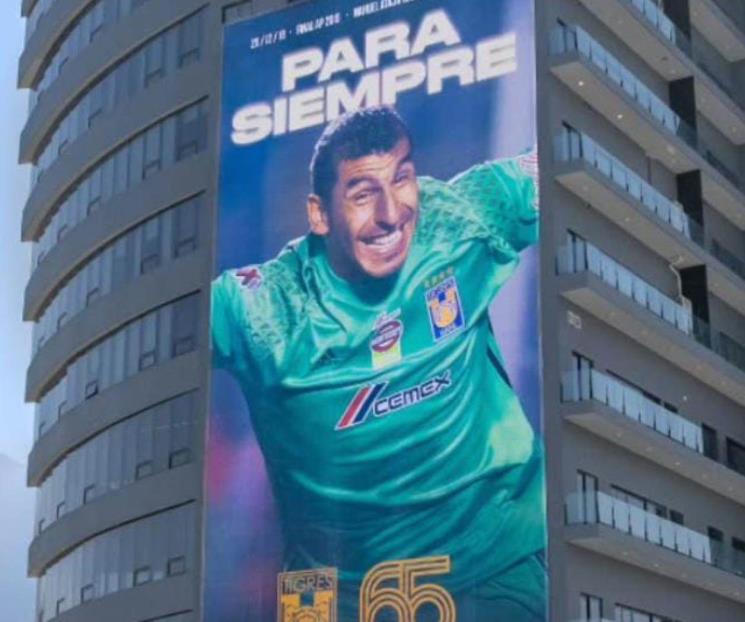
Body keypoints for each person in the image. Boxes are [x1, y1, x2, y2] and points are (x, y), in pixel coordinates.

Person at [211, 106, 546, 621]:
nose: (391, 213)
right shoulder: (263, 312)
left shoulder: (462, 218)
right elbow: (152, 324)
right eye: (363, 194)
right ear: (319, 214)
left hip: (492, 560)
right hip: (325, 592)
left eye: (403, 179)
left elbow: (566, 161)